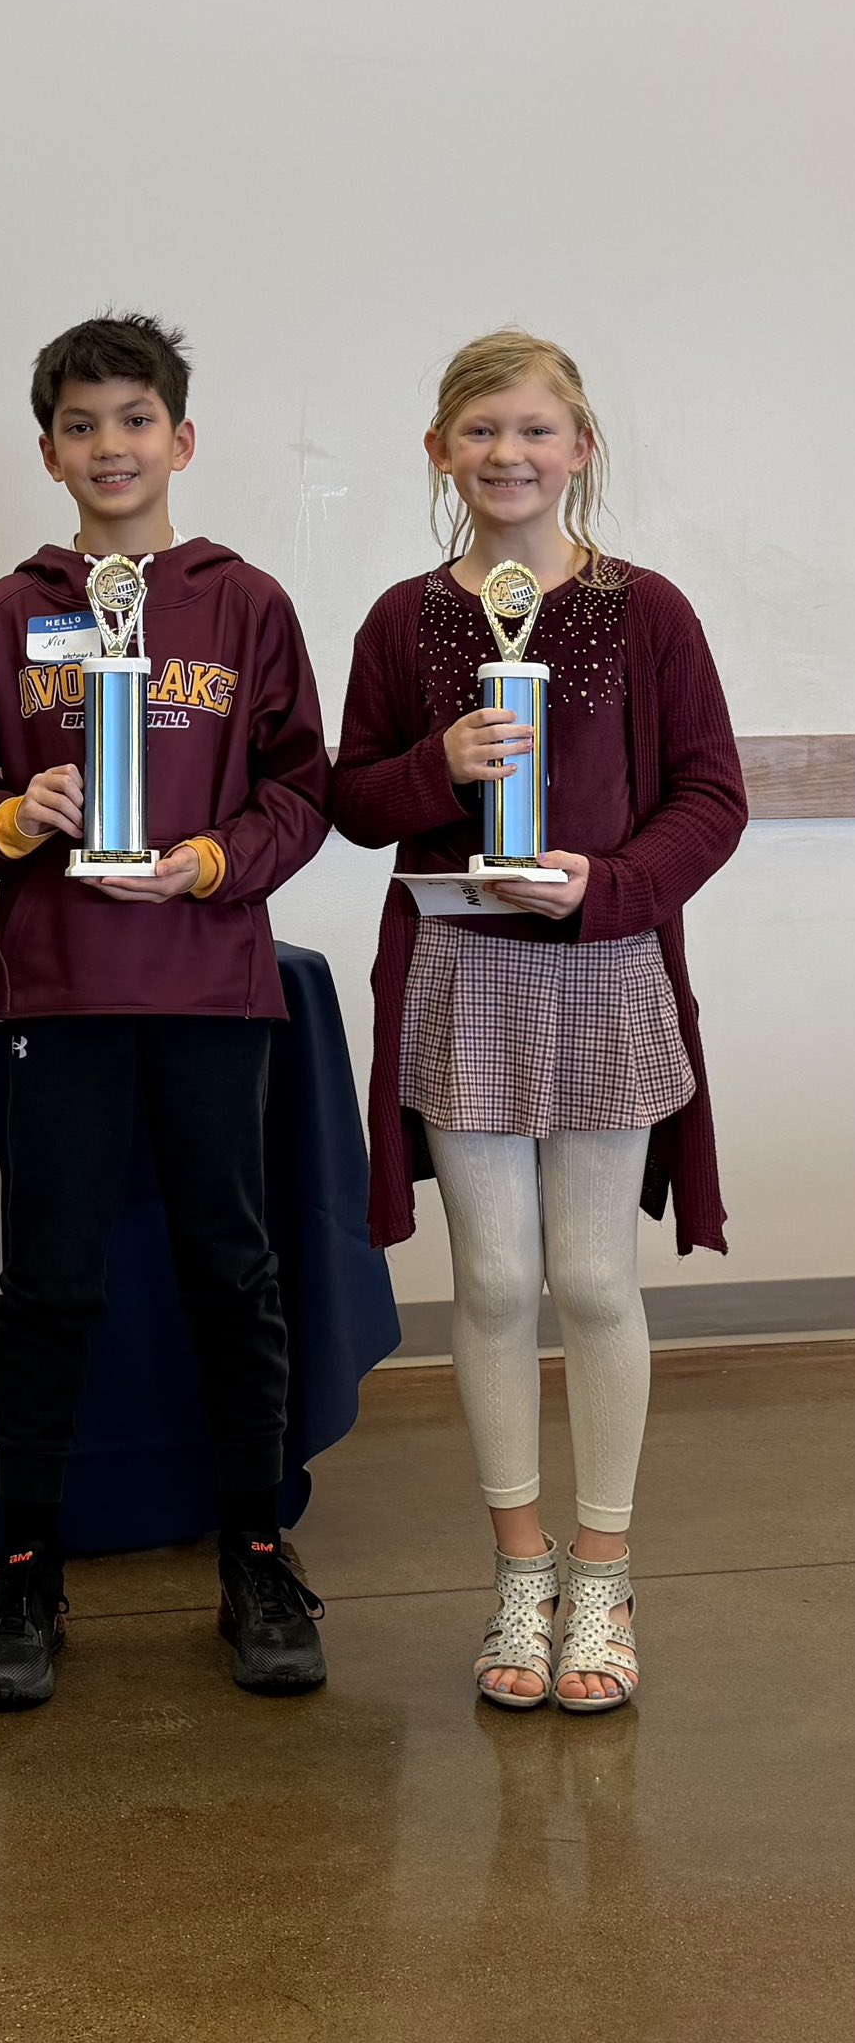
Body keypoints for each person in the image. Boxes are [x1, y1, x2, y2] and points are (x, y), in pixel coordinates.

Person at [332, 331, 746, 1710]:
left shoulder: (647, 611)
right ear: (439, 450)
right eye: (478, 431)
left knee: (593, 1284)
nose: (506, 454)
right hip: (460, 979)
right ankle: (519, 1573)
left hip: (606, 968)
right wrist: (431, 765)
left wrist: (609, 883)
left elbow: (709, 797)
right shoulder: (402, 620)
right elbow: (350, 802)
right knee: (497, 1287)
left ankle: (605, 1575)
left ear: (578, 449)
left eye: (534, 430)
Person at [0, 312, 332, 1708]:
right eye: (83, 426)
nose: (112, 446)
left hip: (215, 984)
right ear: (48, 451)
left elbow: (299, 787)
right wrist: (2, 817)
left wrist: (220, 862)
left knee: (235, 1271)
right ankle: (26, 1566)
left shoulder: (246, 604)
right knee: (49, 1282)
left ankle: (258, 1552)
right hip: (60, 989)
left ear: (182, 438)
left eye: (134, 420)